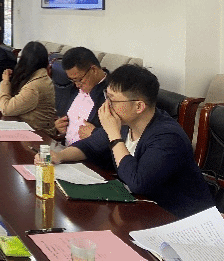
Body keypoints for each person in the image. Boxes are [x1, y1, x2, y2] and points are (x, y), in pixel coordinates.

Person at [36, 64, 214, 219]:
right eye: (107, 96)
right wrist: (59, 156)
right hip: (142, 209)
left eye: (112, 100)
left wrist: (114, 136)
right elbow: (90, 145)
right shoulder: (125, 123)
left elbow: (138, 182)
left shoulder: (168, 137)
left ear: (139, 106)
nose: (106, 106)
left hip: (180, 218)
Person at [0, 41, 56, 135]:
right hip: (31, 130)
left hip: (38, 135)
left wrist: (5, 82)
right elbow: (20, 101)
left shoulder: (34, 86)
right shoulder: (41, 77)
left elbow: (6, 109)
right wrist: (2, 100)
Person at [57, 47, 108, 145]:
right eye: (73, 80)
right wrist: (59, 127)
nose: (77, 85)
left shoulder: (111, 95)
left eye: (79, 80)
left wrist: (95, 134)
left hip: (88, 152)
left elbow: (119, 138)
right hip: (64, 148)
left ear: (93, 70)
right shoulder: (73, 89)